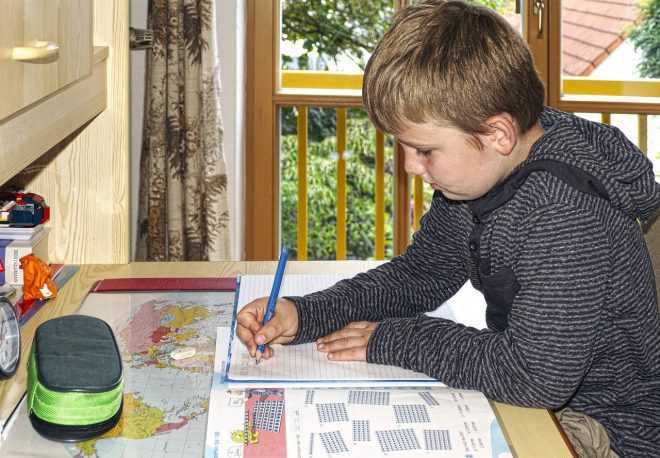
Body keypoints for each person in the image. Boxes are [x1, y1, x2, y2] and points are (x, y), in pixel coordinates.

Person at [237, 1, 660, 455]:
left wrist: (397, 338)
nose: (410, 166)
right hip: (543, 398)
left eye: (424, 150)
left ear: (497, 133)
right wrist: (307, 313)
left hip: (607, 425)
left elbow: (534, 378)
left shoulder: (565, 214)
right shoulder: (482, 173)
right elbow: (423, 274)